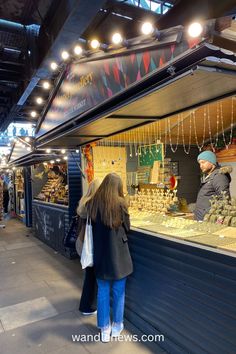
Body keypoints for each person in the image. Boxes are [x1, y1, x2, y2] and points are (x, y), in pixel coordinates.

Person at [87, 173, 133, 342]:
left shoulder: (93, 203)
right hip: (119, 255)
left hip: (100, 254)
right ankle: (117, 326)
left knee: (103, 291)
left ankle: (104, 329)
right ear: (118, 187)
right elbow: (127, 227)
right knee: (119, 292)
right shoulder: (121, 203)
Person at [77, 179, 101, 316]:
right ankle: (87, 306)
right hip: (88, 244)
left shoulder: (84, 201)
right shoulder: (92, 204)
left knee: (89, 275)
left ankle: (88, 304)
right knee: (91, 277)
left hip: (82, 241)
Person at [194, 150, 232, 221]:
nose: (201, 166)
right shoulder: (210, 176)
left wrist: (211, 215)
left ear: (212, 162)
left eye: (203, 162)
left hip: (209, 219)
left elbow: (225, 200)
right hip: (202, 218)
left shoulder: (219, 177)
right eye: (199, 163)